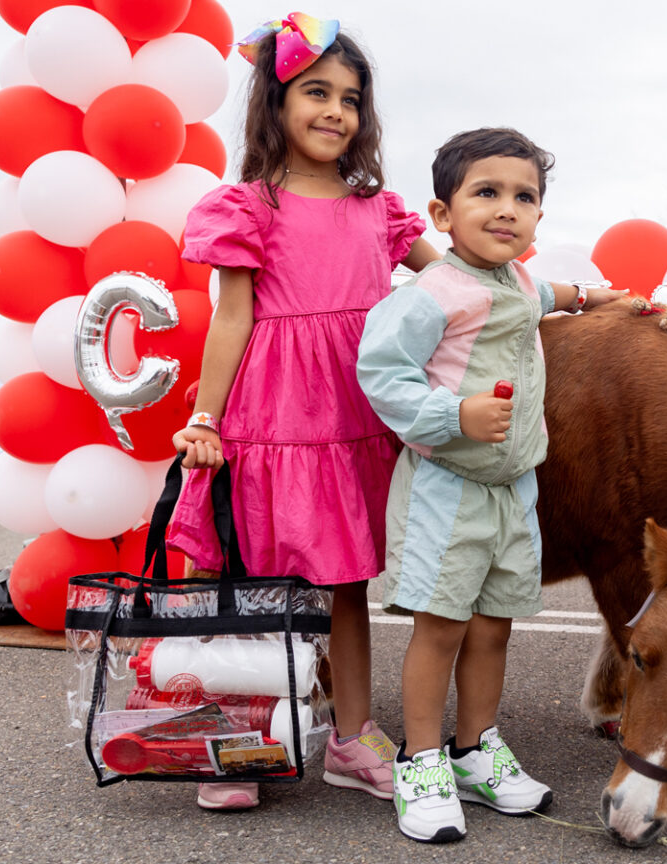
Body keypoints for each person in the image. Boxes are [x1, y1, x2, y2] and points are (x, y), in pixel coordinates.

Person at [166, 14, 440, 813]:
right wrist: (207, 420)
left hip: (355, 413)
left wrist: (551, 295)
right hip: (272, 417)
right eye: (316, 92)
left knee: (346, 580)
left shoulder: (379, 209)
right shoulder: (246, 205)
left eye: (350, 99)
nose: (335, 112)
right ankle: (243, 737)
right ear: (275, 102)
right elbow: (232, 318)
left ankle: (352, 738)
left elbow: (455, 280)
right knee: (256, 584)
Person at [358, 127, 625, 843]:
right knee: (441, 627)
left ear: (538, 216)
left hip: (512, 492)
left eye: (523, 197)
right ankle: (420, 761)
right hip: (447, 488)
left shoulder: (521, 282)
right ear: (442, 216)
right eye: (486, 194)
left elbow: (546, 297)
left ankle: (474, 750)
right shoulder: (431, 294)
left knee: (493, 627)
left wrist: (592, 298)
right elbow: (380, 373)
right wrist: (455, 414)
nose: (507, 209)